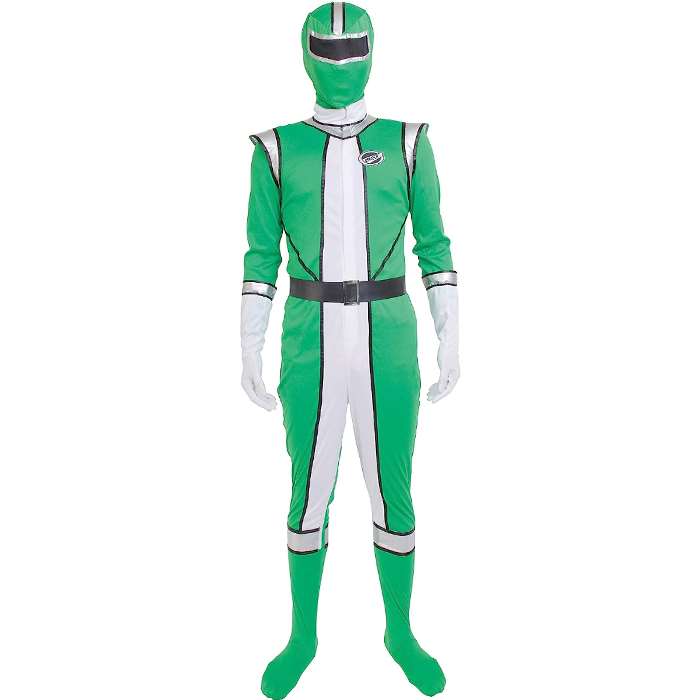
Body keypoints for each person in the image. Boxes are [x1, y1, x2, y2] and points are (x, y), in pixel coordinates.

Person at [241, 3, 459, 697]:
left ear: (373, 50)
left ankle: (400, 630)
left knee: (394, 485)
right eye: (327, 48)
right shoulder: (276, 150)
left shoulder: (407, 142)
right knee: (307, 488)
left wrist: (451, 333)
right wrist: (248, 342)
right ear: (305, 53)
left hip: (389, 332)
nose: (340, 60)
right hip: (308, 333)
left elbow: (435, 244)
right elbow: (259, 255)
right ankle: (303, 635)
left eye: (352, 46)